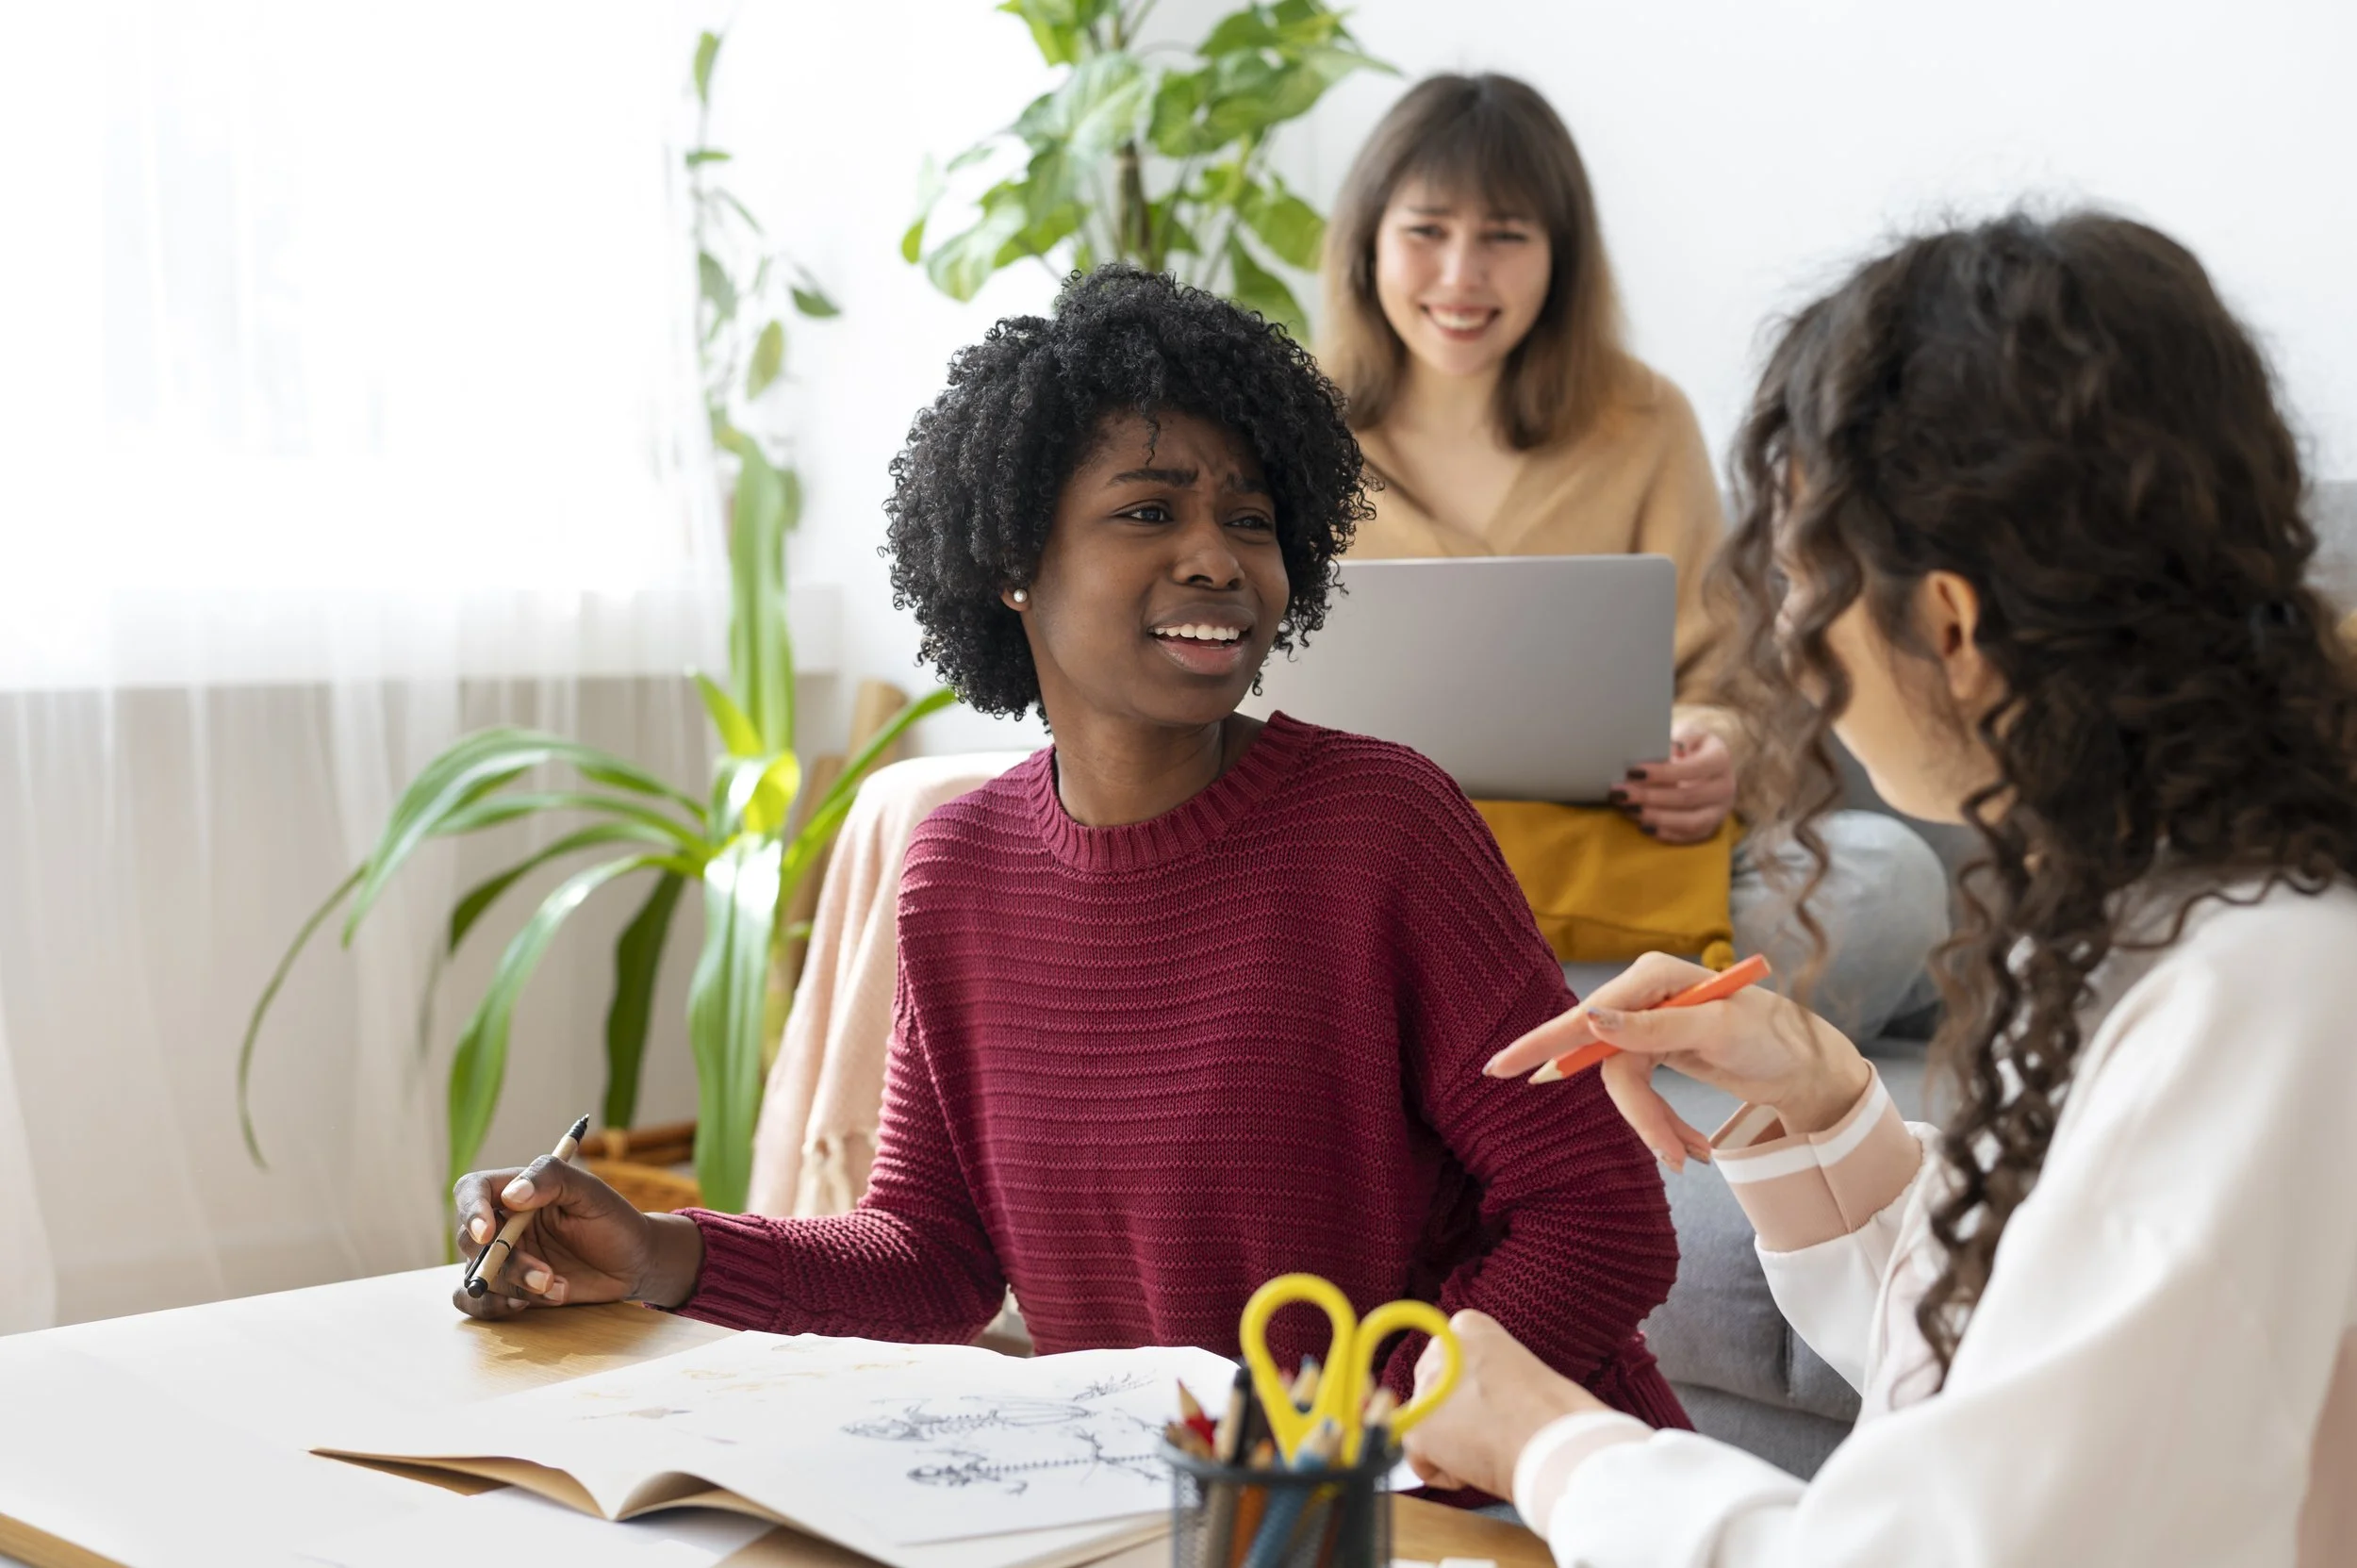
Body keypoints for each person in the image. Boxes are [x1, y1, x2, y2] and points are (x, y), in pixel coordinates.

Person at [447, 266, 1689, 1447]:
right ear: (1008, 566)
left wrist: (1365, 1437)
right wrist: (661, 1251)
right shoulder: (957, 867)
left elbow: (1603, 1216)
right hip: (1190, 1505)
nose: (1217, 556)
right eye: (1149, 509)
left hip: (1505, 1488)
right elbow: (932, 1256)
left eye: (1250, 518)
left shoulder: (1381, 825)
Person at [1396, 212, 2357, 1563]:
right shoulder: (2159, 909)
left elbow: (1957, 1540)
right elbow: (2023, 1358)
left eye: (1804, 577)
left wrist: (1544, 1437)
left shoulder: (2260, 985)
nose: (1791, 634)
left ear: (1950, 623)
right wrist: (1826, 1106)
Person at [1319, 74, 1949, 1040]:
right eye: (1426, 230)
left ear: (1559, 258)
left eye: (1505, 235)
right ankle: (1625, 1034)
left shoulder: (1644, 421)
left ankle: (1490, 1046)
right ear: (1365, 243)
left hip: (1623, 875)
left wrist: (1714, 752)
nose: (1459, 276)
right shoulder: (1286, 430)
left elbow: (1733, 685)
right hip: (1379, 885)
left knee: (1886, 880)